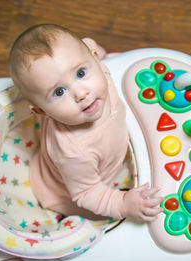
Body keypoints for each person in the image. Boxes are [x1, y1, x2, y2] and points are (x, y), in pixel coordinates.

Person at [9, 24, 163, 221]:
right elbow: (86, 193)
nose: (81, 94)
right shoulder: (72, 151)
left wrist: (101, 51)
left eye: (80, 73)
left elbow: (88, 44)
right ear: (41, 111)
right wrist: (122, 203)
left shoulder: (100, 70)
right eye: (59, 92)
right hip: (66, 193)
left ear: (94, 58)